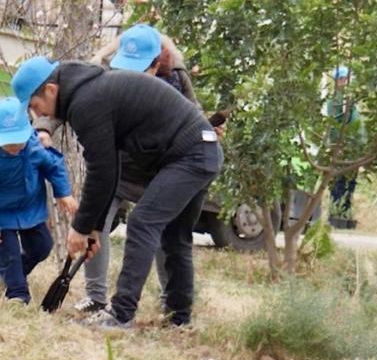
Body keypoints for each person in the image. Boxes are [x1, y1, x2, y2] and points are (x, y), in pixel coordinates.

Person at [12, 55, 222, 331]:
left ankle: (121, 314)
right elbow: (111, 170)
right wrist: (95, 228)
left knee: (143, 222)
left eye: (35, 106)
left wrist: (81, 227)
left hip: (190, 153)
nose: (38, 116)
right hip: (202, 150)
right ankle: (179, 319)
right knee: (174, 235)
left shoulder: (86, 102)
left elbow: (102, 171)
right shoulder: (91, 91)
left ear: (51, 90)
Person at [75, 23, 196, 317]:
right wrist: (42, 128)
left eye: (141, 66)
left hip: (159, 172)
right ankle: (96, 296)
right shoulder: (101, 74)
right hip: (117, 169)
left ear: (158, 62)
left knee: (161, 234)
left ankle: (171, 305)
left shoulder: (177, 79)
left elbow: (194, 114)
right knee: (96, 225)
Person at [0, 97, 77, 304]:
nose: (14, 147)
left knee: (42, 247)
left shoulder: (34, 149)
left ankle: (14, 274)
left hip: (31, 210)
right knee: (8, 255)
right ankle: (17, 294)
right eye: (9, 143)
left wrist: (63, 193)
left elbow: (53, 166)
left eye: (18, 141)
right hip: (1, 216)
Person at [326, 66, 363, 219]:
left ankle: (345, 211)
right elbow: (336, 123)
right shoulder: (334, 100)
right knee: (339, 179)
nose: (344, 81)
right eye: (341, 79)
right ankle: (336, 211)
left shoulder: (351, 99)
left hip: (353, 146)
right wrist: (337, 145)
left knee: (351, 180)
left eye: (346, 79)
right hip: (341, 146)